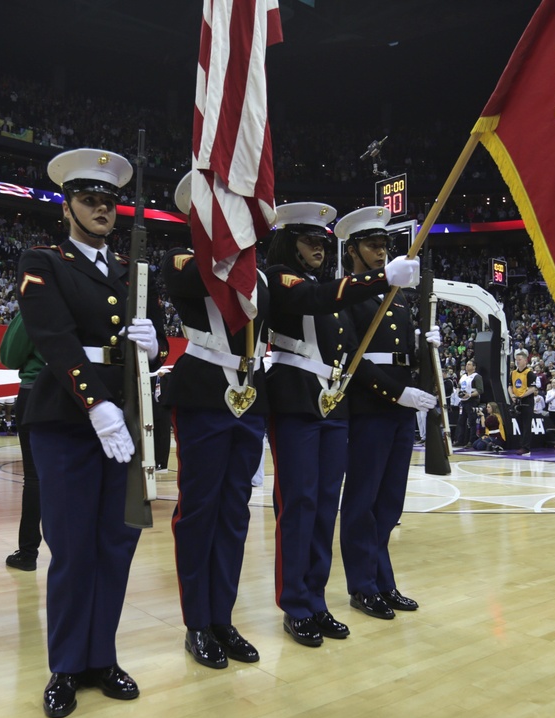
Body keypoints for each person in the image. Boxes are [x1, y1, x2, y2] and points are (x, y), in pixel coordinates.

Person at [16, 148, 167, 718]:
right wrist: (97, 405)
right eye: (90, 199)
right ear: (68, 205)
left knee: (116, 545)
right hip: (70, 423)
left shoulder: (131, 272)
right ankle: (66, 665)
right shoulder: (42, 260)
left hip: (126, 423)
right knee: (74, 548)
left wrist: (157, 345)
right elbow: (52, 338)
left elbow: (150, 341)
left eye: (109, 202)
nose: (102, 209)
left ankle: (101, 655)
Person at [265, 201, 420, 647]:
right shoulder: (280, 276)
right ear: (289, 242)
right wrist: (379, 279)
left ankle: (316, 599)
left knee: (323, 509)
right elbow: (309, 299)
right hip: (295, 396)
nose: (317, 247)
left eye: (321, 241)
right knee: (299, 507)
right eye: (309, 240)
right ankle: (295, 603)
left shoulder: (327, 287)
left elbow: (351, 347)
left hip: (332, 404)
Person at [162, 171, 269, 670]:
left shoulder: (260, 274)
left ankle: (223, 618)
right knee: (199, 511)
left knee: (234, 513)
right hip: (205, 393)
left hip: (249, 398)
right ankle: (197, 623)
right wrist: (221, 244)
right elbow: (190, 280)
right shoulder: (184, 260)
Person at [335, 206, 436, 620]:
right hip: (372, 406)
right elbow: (352, 359)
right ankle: (362, 585)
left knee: (390, 502)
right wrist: (398, 393)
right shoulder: (348, 293)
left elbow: (401, 355)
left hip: (398, 409)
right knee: (362, 500)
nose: (381, 252)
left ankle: (383, 580)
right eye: (373, 245)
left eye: (384, 245)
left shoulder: (398, 299)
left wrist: (425, 346)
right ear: (353, 250)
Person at [0, 311, 44, 572]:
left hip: (37, 391)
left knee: (35, 478)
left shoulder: (37, 299)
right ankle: (73, 550)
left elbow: (9, 356)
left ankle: (28, 553)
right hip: (84, 393)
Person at [507, 348, 537, 455]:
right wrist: (512, 396)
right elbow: (510, 386)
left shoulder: (529, 373)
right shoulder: (513, 373)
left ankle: (526, 447)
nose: (517, 361)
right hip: (516, 401)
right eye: (516, 359)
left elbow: (533, 388)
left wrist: (521, 396)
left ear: (525, 361)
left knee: (526, 425)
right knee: (519, 424)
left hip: (526, 401)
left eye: (519, 359)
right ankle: (521, 444)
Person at [456, 360, 484, 447]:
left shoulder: (476, 377)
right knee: (461, 421)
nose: (467, 366)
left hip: (472, 401)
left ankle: (472, 441)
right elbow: (458, 386)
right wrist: (458, 394)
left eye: (469, 364)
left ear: (474, 367)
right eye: (466, 364)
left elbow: (480, 390)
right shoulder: (463, 376)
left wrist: (469, 395)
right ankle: (460, 440)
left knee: (472, 422)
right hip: (463, 401)